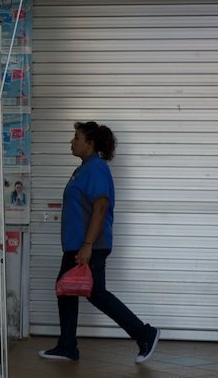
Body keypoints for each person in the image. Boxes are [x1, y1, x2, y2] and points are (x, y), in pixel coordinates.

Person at [40, 121, 159, 364]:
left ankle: (144, 333)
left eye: (76, 137)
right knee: (67, 290)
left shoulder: (96, 168)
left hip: (89, 244)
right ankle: (67, 346)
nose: (71, 142)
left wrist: (87, 244)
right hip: (78, 244)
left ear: (90, 143)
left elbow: (101, 206)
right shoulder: (83, 168)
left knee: (93, 293)